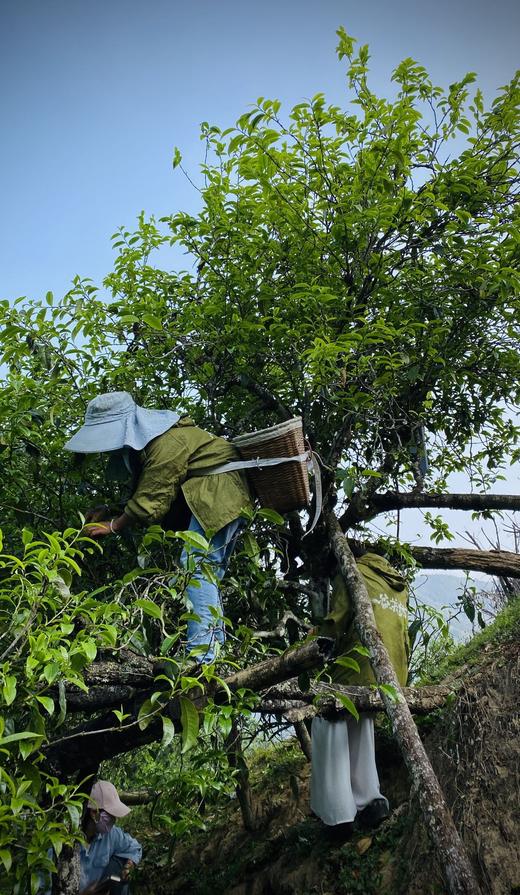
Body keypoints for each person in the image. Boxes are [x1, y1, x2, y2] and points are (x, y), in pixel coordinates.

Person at [64, 391, 253, 662]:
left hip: (219, 494)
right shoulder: (154, 444)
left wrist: (114, 525)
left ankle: (203, 658)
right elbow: (150, 490)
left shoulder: (166, 442)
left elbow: (151, 499)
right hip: (223, 496)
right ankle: (216, 652)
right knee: (205, 572)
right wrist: (111, 510)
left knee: (196, 566)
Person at [310, 552, 410, 841]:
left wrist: (312, 646)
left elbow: (336, 621)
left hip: (363, 667)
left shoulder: (351, 572)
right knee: (361, 717)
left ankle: (338, 814)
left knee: (326, 712)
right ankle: (370, 801)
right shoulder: (399, 585)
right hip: (392, 674)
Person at [78, 780, 142, 894]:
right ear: (94, 812)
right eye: (110, 815)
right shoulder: (65, 845)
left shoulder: (111, 834)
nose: (114, 819)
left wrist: (128, 866)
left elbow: (134, 847)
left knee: (118, 865)